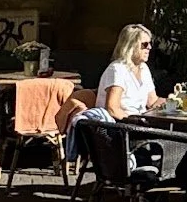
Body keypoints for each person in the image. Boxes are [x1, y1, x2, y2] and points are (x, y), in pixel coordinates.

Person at [64, 23, 157, 160]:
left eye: (150, 44)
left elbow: (153, 101)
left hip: (139, 127)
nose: (149, 47)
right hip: (120, 131)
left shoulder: (143, 68)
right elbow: (112, 109)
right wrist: (137, 123)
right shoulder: (118, 70)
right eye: (145, 44)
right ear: (130, 45)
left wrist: (176, 100)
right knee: (168, 145)